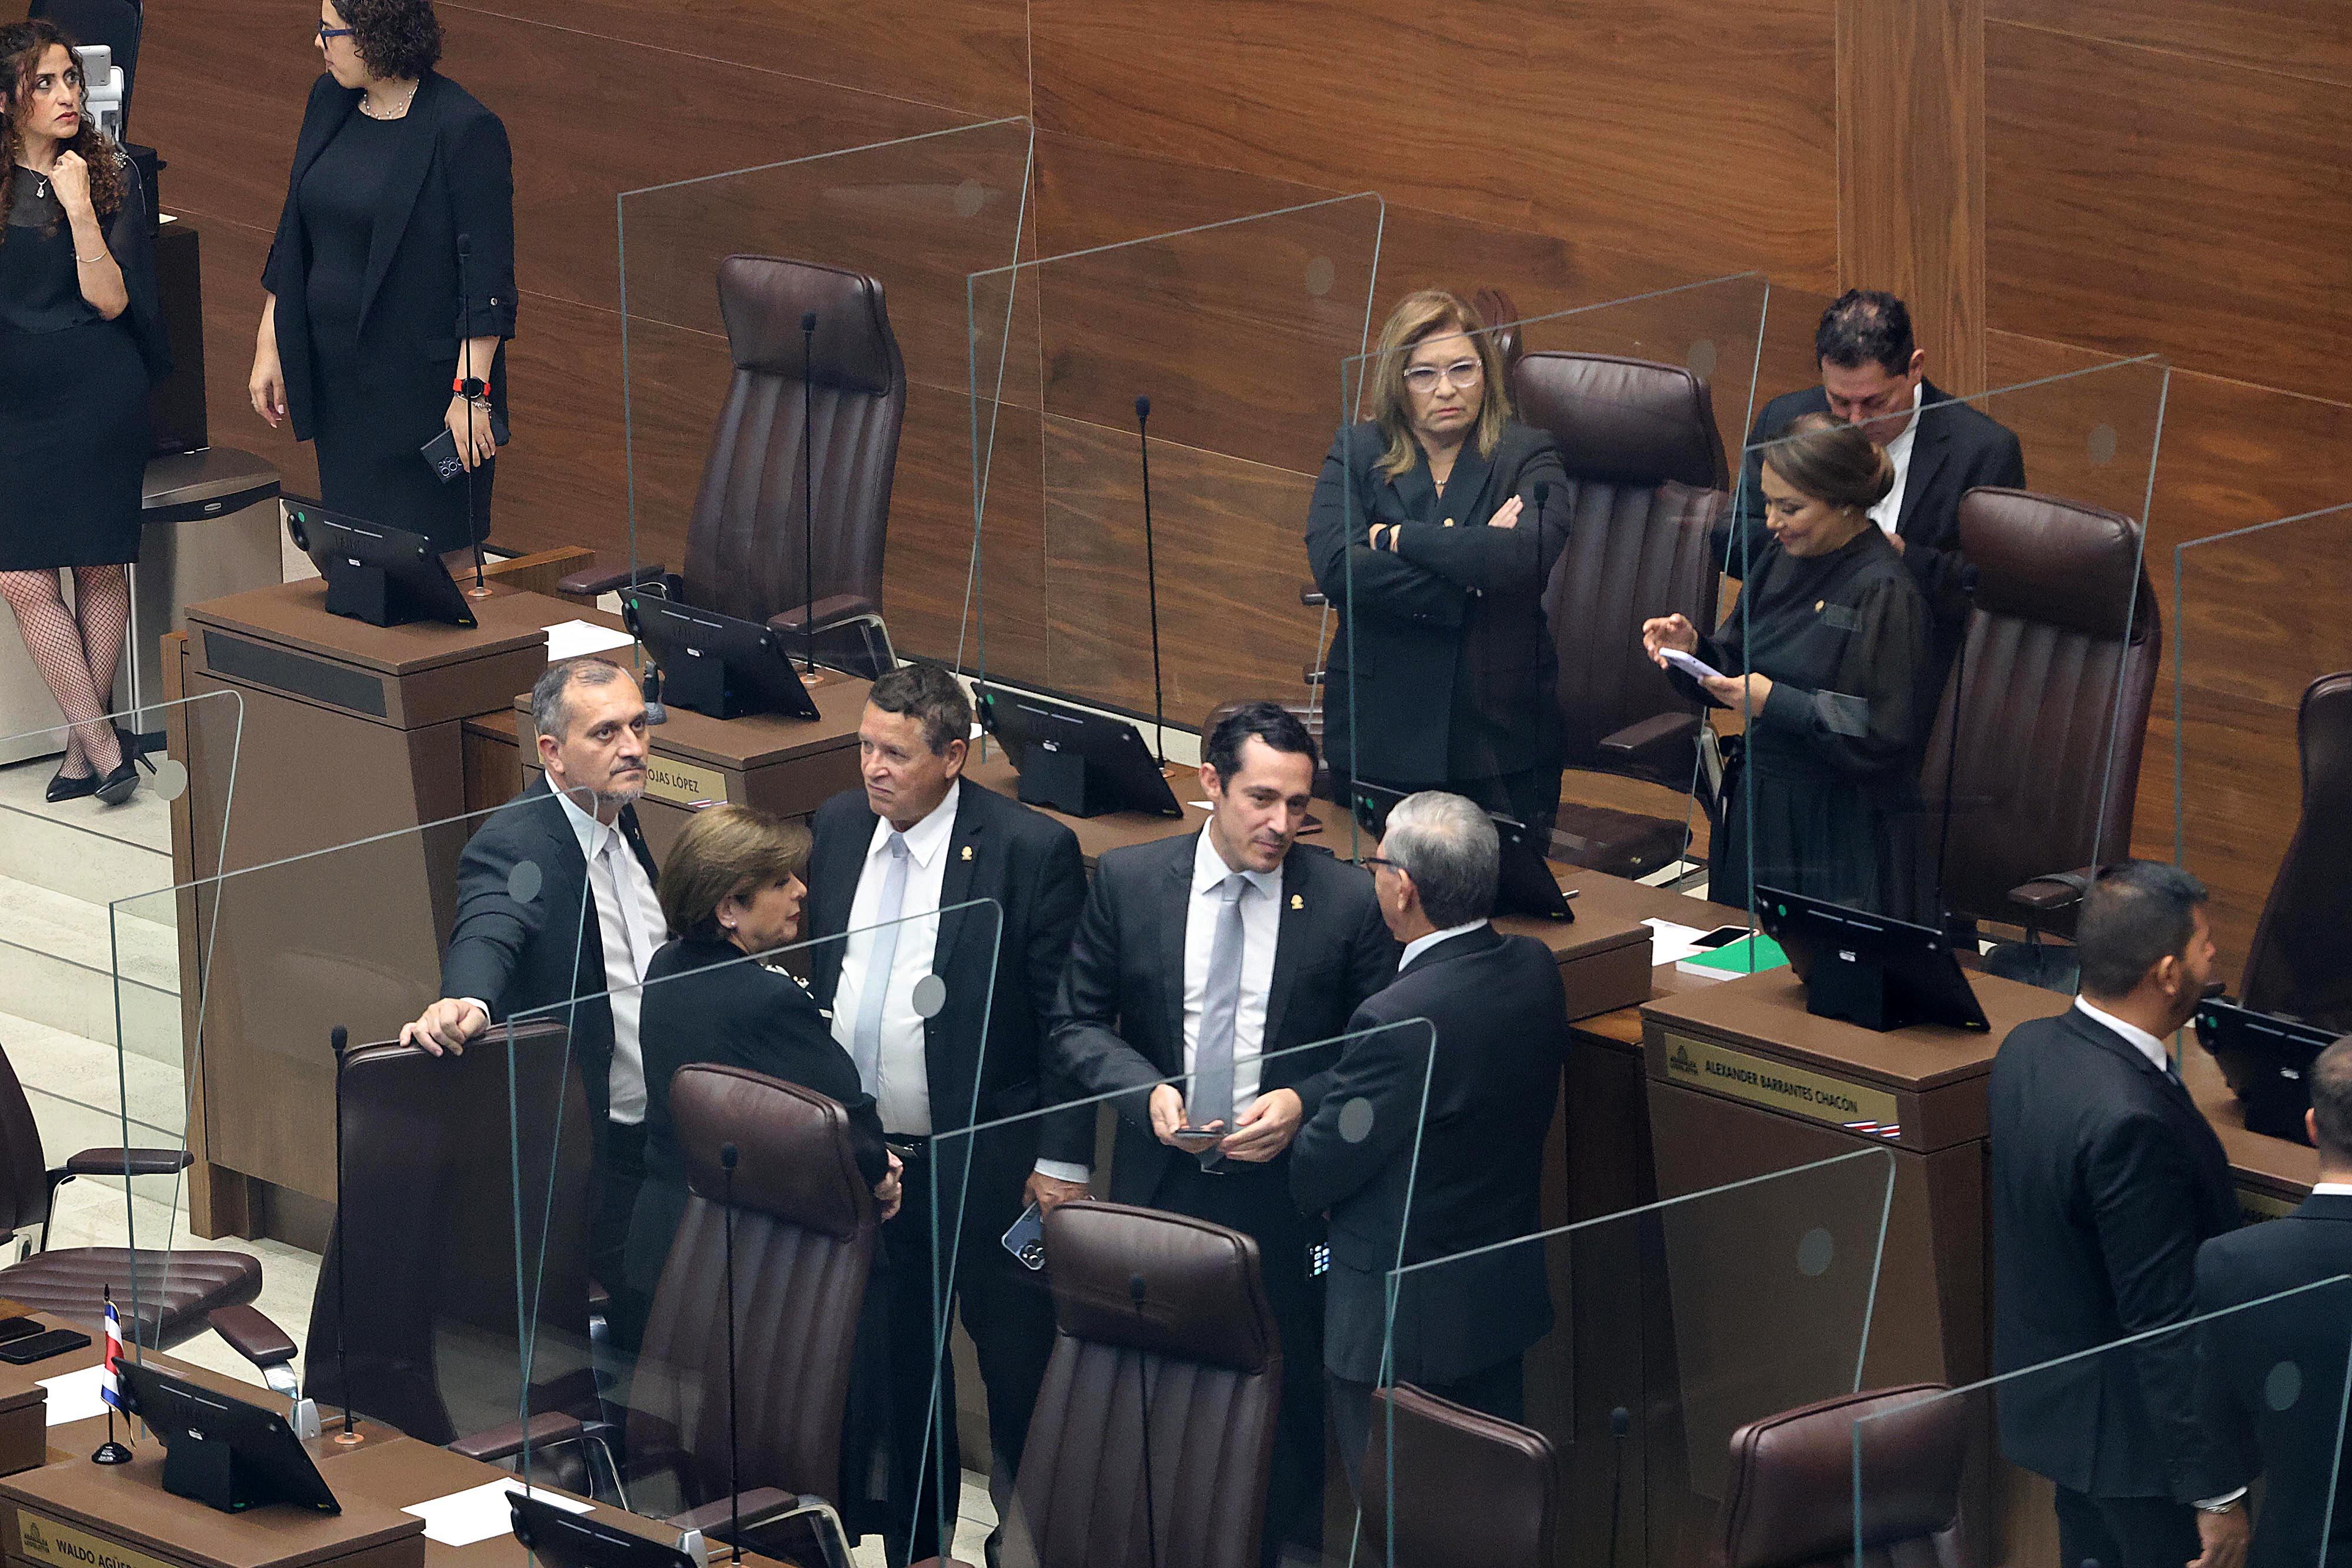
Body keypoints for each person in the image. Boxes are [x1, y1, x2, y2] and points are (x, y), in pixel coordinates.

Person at [1050, 700, 1396, 1566]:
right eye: (1260, 798)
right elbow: (1076, 1023)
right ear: (1210, 783)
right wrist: (1145, 1094)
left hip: (1285, 1204)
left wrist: (1302, 1100)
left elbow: (1376, 1053)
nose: (1282, 824)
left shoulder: (1348, 900)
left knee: (1282, 1414)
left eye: (1298, 803)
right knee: (1150, 1404)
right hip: (1158, 1194)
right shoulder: (1131, 882)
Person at [800, 662, 1086, 1564]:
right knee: (891, 1369)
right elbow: (826, 977)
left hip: (991, 1165)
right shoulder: (842, 824)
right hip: (869, 1166)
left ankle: (1027, 1548)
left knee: (1016, 1369)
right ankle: (916, 1547)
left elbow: (1064, 1022)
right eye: (865, 746)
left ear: (954, 755)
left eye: (896, 751)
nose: (873, 767)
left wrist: (1064, 1157)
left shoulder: (1027, 851)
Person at [1289, 790, 1566, 1495]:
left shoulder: (1396, 1017)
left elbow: (1317, 1169)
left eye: (1376, 861)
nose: (1371, 873)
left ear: (1404, 889)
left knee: (1402, 1537)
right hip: (1493, 1310)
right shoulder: (1535, 969)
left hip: (1397, 1332)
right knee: (1487, 1526)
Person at [1989, 861, 2252, 1568]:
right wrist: (2218, 1493)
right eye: (2204, 947)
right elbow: (2162, 1316)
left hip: (2065, 1425)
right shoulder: (2131, 1123)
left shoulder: (2027, 1052)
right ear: (2167, 974)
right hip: (2142, 1456)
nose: (2214, 957)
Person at [399, 657, 662, 1310]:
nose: (631, 748)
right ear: (553, 751)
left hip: (663, 1137)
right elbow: (491, 926)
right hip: (595, 1156)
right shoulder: (520, 846)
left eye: (637, 725)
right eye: (605, 734)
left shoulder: (619, 815)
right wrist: (467, 1000)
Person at [622, 803, 901, 1352]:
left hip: (666, 1243)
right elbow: (850, 1122)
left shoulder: (665, 966)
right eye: (780, 880)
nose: (801, 890)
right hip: (752, 1269)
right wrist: (881, 1167)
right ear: (729, 908)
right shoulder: (768, 1000)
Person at [1643, 413, 1935, 921]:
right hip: (1763, 807)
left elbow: (1884, 728)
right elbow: (1739, 667)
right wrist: (1694, 652)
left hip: (1836, 828)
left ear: (1844, 502)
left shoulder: (1884, 591)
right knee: (1730, 969)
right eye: (1769, 502)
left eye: (1790, 507)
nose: (1772, 522)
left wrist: (1778, 702)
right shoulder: (1778, 560)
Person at [1304, 287, 1571, 842]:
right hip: (1379, 729)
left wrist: (1397, 537)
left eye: (1462, 369)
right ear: (1396, 383)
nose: (1446, 389)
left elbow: (1527, 556)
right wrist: (1468, 573)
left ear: (1488, 373)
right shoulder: (1357, 451)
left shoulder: (1528, 453)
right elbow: (1337, 568)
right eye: (1423, 373)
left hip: (1496, 740)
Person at [253, 0, 514, 553]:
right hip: (340, 387)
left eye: (330, 30)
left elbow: (487, 277)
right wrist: (270, 337)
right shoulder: (329, 102)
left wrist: (472, 392)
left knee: (433, 565)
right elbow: (295, 226)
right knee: (357, 559)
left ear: (377, 34)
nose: (319, 42)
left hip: (422, 394)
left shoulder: (464, 128)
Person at [0, 21, 168, 806]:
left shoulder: (113, 175)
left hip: (97, 390)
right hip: (16, 401)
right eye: (46, 83)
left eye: (72, 79)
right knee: (21, 572)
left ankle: (86, 751)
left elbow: (110, 300)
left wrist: (76, 212)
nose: (69, 95)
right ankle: (104, 740)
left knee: (98, 562)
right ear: (8, 101)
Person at [1727, 289, 2024, 663]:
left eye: (1875, 403)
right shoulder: (1786, 418)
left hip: (1906, 663)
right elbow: (1731, 538)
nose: (1854, 421)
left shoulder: (1984, 451)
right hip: (1796, 651)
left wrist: (1901, 556)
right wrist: (1814, 543)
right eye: (1838, 400)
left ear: (1915, 369)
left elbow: (1990, 593)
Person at [2194, 1036, 2352, 1568]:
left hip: (2292, 1550)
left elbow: (2213, 1411)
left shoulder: (2230, 1264)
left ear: (2312, 1126)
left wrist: (2219, 1502)